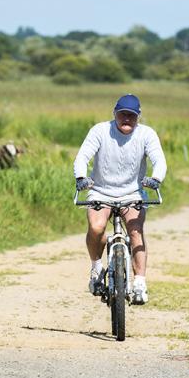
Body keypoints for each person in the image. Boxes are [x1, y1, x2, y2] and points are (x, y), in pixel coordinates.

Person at [73, 94, 167, 304]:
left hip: (132, 193)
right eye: (122, 114)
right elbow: (82, 156)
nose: (126, 119)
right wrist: (81, 177)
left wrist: (156, 178)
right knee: (96, 229)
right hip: (101, 191)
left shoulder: (147, 134)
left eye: (131, 116)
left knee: (136, 233)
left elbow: (159, 160)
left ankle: (140, 283)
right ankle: (96, 268)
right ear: (114, 113)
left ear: (138, 117)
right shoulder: (100, 130)